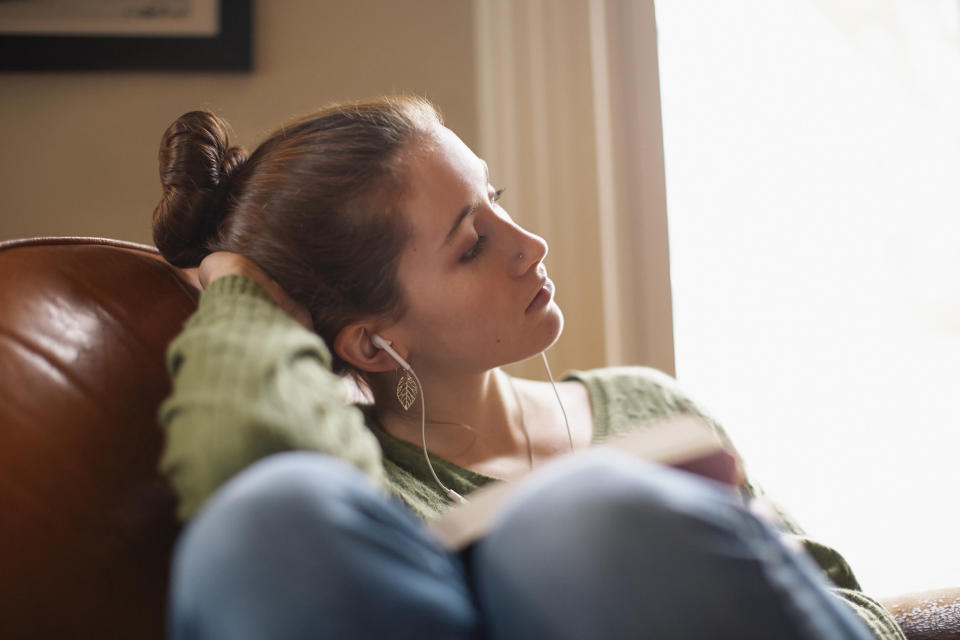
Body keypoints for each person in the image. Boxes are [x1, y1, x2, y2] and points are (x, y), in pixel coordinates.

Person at [153, 96, 904, 639]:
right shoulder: (357, 488)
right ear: (374, 343)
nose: (530, 244)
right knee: (271, 518)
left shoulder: (644, 405)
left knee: (579, 517)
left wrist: (760, 560)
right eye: (472, 243)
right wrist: (241, 294)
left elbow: (867, 619)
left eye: (497, 201)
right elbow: (250, 485)